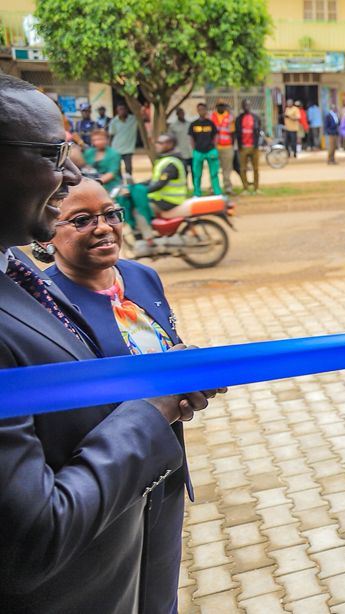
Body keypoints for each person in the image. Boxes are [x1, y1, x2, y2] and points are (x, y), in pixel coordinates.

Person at [0, 73, 218, 612]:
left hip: (138, 514)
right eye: (54, 153)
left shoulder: (26, 277)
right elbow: (33, 533)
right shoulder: (39, 287)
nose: (70, 173)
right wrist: (152, 407)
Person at [41, 176, 208, 614]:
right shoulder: (40, 306)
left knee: (159, 591)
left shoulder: (141, 277)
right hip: (102, 483)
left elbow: (163, 349)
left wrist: (184, 375)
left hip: (163, 466)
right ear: (47, 236)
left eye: (111, 214)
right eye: (81, 220)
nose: (104, 227)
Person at [188, 103, 221, 198]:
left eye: (203, 109)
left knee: (214, 173)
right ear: (197, 111)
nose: (202, 111)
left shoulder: (210, 123)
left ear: (206, 110)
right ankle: (197, 193)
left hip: (210, 151)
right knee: (197, 174)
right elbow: (191, 137)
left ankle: (217, 192)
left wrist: (214, 146)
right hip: (198, 152)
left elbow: (215, 135)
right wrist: (194, 148)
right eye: (200, 109)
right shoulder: (193, 124)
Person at [235, 100, 263, 195]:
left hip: (254, 147)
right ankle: (245, 188)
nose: (246, 106)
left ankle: (256, 188)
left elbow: (258, 130)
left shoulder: (255, 118)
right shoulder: (239, 119)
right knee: (243, 169)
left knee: (256, 168)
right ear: (242, 107)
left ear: (250, 106)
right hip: (243, 147)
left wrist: (257, 144)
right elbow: (237, 133)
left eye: (248, 105)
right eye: (244, 105)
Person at [210, 102, 235, 194]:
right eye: (219, 105)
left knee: (227, 169)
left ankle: (228, 188)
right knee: (213, 168)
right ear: (216, 107)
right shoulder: (212, 117)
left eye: (222, 106)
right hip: (214, 147)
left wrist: (232, 145)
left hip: (227, 147)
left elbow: (233, 133)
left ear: (225, 107)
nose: (221, 107)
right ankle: (213, 188)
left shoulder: (230, 117)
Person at [108, 102, 139, 177]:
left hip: (128, 149)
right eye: (119, 110)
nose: (121, 111)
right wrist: (109, 148)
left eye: (123, 109)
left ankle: (129, 184)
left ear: (126, 110)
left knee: (128, 168)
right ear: (117, 111)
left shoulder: (133, 119)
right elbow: (111, 135)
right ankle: (120, 184)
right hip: (116, 148)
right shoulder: (114, 121)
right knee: (117, 168)